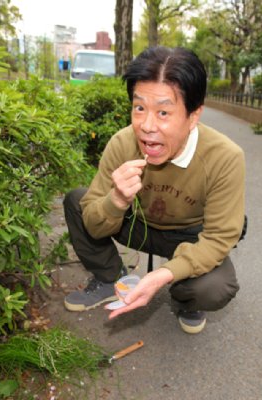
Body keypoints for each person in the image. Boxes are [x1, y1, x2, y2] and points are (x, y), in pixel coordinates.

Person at [63, 46, 246, 334]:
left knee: (214, 287)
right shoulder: (122, 144)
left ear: (193, 115)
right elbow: (95, 226)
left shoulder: (225, 157)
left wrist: (163, 275)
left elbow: (218, 238)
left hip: (189, 235)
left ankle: (186, 298)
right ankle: (110, 277)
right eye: (139, 108)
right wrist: (116, 200)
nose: (147, 126)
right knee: (78, 201)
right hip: (139, 224)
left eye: (163, 112)